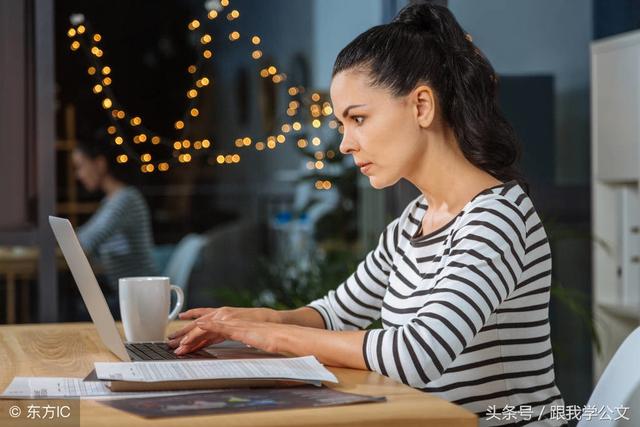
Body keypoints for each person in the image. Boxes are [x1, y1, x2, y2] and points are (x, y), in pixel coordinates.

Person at [168, 4, 565, 424]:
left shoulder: (497, 218)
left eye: (358, 118)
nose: (345, 144)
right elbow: (337, 314)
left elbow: (418, 353)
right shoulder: (413, 222)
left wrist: (274, 336)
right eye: (343, 124)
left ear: (421, 106)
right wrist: (255, 320)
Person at [72, 138, 158, 288]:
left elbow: (86, 241)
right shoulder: (110, 201)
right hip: (125, 293)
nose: (79, 175)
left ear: (99, 164)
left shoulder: (126, 200)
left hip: (140, 295)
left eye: (80, 166)